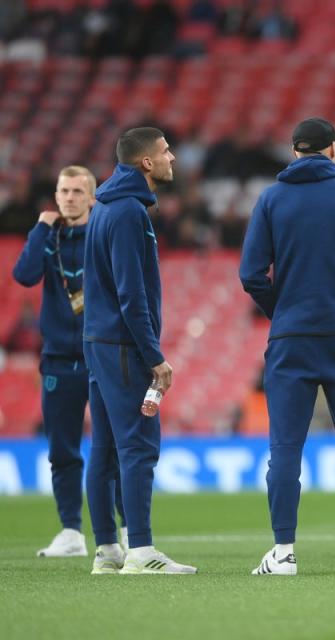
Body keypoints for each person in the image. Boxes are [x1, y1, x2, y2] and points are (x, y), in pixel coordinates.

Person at [240, 117, 335, 575]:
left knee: (285, 448)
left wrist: (284, 312)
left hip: (291, 340)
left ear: (294, 152)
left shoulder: (271, 199)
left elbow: (251, 274)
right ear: (331, 151)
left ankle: (284, 552)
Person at [83, 127, 195, 574]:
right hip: (125, 348)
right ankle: (143, 551)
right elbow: (132, 295)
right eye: (166, 151)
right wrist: (154, 356)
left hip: (98, 342)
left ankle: (107, 550)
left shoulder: (104, 207)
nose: (173, 158)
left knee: (106, 449)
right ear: (146, 162)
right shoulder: (130, 212)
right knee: (139, 447)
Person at [12, 165, 126, 558]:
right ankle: (71, 532)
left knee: (112, 447)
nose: (70, 198)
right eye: (64, 191)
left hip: (102, 355)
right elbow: (24, 275)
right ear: (56, 195)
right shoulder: (49, 239)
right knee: (62, 449)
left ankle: (125, 530)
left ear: (92, 198)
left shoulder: (104, 234)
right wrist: (40, 228)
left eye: (78, 191)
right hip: (59, 359)